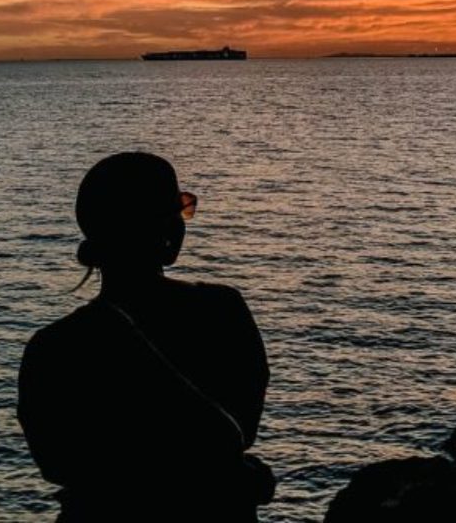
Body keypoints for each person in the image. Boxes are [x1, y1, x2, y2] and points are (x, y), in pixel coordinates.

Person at [18, 152, 272, 521]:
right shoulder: (222, 311)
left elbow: (57, 464)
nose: (184, 222)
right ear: (162, 228)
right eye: (180, 209)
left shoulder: (53, 348)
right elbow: (240, 431)